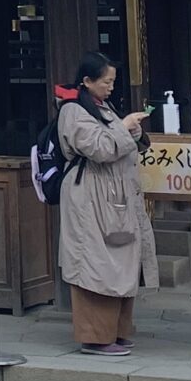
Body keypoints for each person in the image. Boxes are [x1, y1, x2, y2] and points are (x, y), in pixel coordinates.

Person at [56, 52, 156, 356]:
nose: (110, 87)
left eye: (113, 81)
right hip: (90, 196)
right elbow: (99, 148)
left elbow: (117, 142)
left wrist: (134, 132)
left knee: (120, 261)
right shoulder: (72, 111)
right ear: (87, 81)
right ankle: (95, 337)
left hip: (115, 194)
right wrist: (123, 128)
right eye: (105, 82)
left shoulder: (103, 106)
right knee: (95, 264)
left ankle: (117, 330)